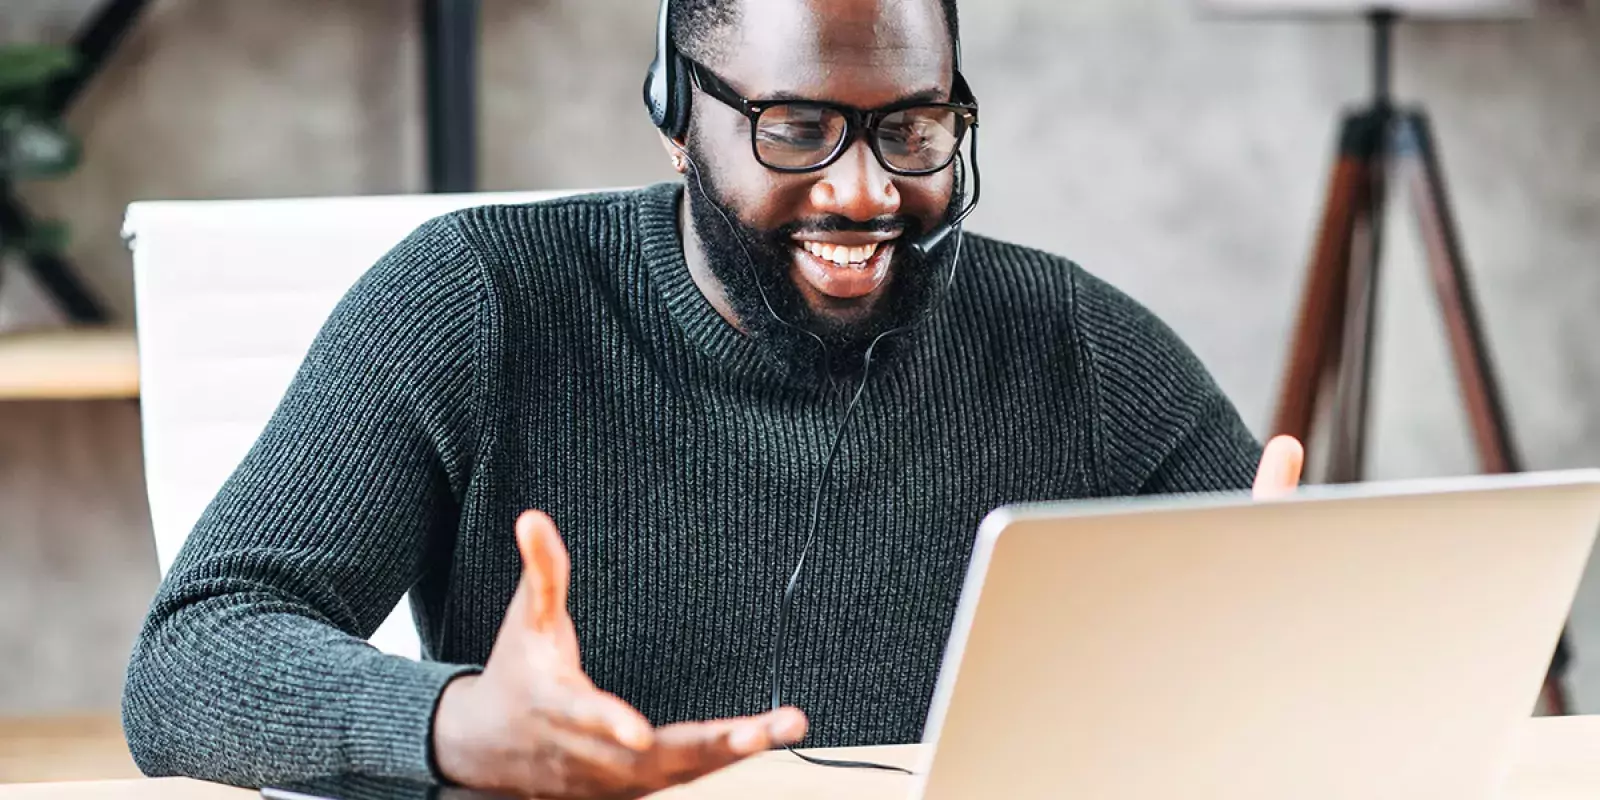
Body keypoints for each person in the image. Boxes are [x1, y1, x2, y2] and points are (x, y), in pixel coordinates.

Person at [121, 0, 1304, 797]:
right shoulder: (476, 298)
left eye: (913, 128)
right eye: (797, 129)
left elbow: (1278, 647)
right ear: (679, 118)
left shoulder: (1069, 339)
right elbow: (189, 657)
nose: (862, 189)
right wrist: (460, 725)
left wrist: (1307, 611)